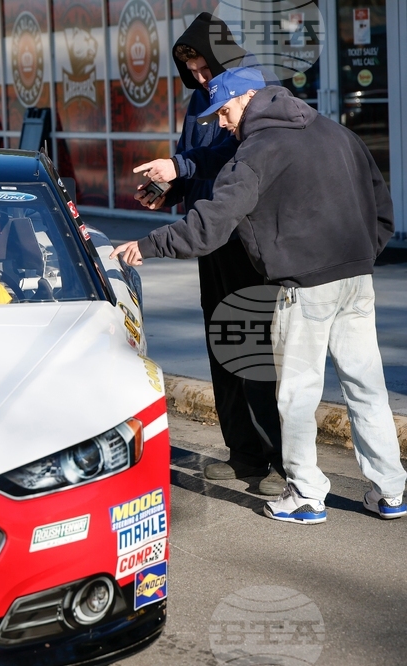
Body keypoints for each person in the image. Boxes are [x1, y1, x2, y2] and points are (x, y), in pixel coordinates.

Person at [111, 67, 406, 524]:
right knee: (366, 387)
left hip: (305, 286)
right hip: (357, 279)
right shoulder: (336, 132)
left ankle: (306, 496)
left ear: (249, 97)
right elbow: (381, 205)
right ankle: (391, 491)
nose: (223, 123)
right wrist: (363, 254)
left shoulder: (258, 151)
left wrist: (147, 245)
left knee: (297, 394)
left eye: (225, 112)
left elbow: (210, 225)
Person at [132, 13, 284, 495]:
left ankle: (280, 461)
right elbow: (194, 167)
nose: (200, 79)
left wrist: (179, 165)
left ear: (222, 56)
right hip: (209, 241)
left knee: (255, 352)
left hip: (247, 241)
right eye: (193, 72)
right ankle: (243, 453)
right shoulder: (199, 101)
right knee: (223, 346)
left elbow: (233, 156)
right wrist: (168, 190)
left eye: (204, 68)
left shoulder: (256, 91)